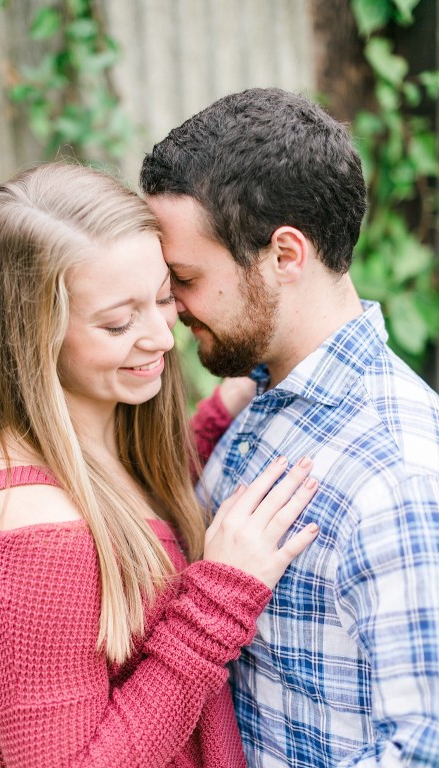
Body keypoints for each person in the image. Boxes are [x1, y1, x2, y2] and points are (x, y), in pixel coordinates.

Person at [0, 162, 321, 767]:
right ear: (32, 335)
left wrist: (216, 416)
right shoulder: (29, 532)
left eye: (165, 297)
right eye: (119, 322)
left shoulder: (98, 436)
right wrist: (217, 602)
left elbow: (129, 515)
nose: (163, 337)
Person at [140, 87, 439, 766]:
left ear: (285, 255)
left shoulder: (397, 478)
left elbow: (423, 749)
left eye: (184, 277)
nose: (171, 307)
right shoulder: (264, 400)